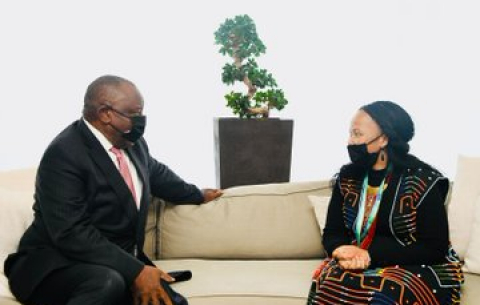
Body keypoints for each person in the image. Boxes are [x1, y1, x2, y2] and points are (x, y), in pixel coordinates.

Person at [4, 75, 223, 305]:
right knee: (108, 282)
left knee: (170, 302)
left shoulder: (131, 142)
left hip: (111, 262)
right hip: (55, 264)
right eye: (135, 113)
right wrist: (136, 271)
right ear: (105, 113)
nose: (141, 120)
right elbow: (70, 232)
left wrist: (197, 194)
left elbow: (158, 175)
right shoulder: (64, 154)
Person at [306, 101, 464, 305]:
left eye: (357, 134)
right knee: (331, 285)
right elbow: (333, 232)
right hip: (358, 262)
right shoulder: (347, 178)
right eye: (350, 133)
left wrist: (370, 255)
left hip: (417, 265)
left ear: (384, 139)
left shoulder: (423, 181)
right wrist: (340, 250)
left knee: (383, 294)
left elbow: (434, 248)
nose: (350, 141)